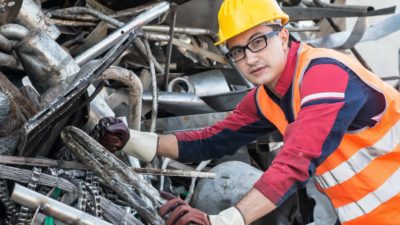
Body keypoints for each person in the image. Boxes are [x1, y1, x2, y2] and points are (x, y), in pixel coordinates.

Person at [98, 0, 400, 224]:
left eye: (258, 41)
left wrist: (221, 221)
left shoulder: (324, 74)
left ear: (283, 37)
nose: (250, 59)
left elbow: (297, 159)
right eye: (238, 51)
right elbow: (212, 140)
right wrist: (130, 139)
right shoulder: (267, 97)